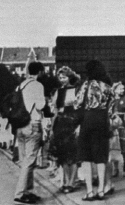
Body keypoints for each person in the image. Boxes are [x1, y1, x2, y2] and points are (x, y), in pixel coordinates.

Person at [75, 60, 114, 201]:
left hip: (87, 121)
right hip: (102, 121)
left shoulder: (86, 85)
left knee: (86, 157)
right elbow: (112, 107)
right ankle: (102, 190)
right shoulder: (108, 87)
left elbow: (77, 103)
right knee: (101, 157)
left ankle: (90, 191)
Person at [13, 61, 46, 204]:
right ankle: (20, 193)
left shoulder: (21, 85)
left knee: (25, 160)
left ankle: (28, 191)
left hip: (19, 125)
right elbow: (40, 105)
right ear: (39, 72)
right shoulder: (37, 85)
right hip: (32, 124)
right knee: (30, 161)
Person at [49, 66, 81, 194]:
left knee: (72, 155)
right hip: (60, 124)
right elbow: (55, 111)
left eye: (64, 77)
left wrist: (79, 125)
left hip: (72, 123)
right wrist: (52, 128)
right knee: (62, 156)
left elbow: (79, 109)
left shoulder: (76, 90)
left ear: (70, 77)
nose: (62, 80)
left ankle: (72, 182)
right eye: (60, 77)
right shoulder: (58, 91)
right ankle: (66, 181)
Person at [106, 81, 125, 194]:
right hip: (113, 125)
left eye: (123, 88)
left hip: (123, 124)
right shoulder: (110, 100)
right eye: (120, 89)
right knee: (114, 146)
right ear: (114, 90)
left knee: (123, 145)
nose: (122, 91)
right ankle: (115, 168)